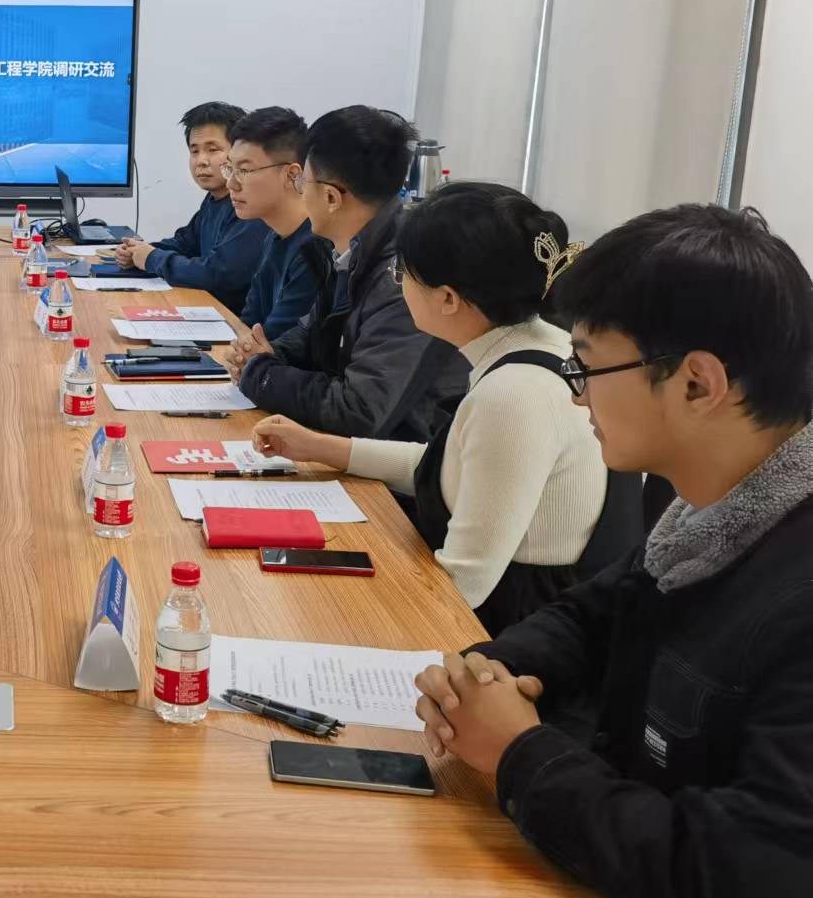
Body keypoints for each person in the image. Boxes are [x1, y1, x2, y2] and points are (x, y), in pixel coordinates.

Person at [412, 204, 813, 898]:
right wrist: (491, 673)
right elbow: (596, 613)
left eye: (588, 369)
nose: (576, 398)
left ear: (697, 382)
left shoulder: (795, 585)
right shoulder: (708, 506)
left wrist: (520, 757)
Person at [252, 182, 640, 632]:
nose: (399, 285)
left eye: (403, 273)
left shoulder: (513, 394)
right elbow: (455, 467)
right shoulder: (543, 343)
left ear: (448, 299)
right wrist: (319, 447)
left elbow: (463, 584)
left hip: (512, 635)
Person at [237, 106, 467, 442]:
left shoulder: (405, 277)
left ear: (331, 197)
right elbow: (311, 334)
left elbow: (360, 411)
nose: (300, 191)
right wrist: (268, 354)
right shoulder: (343, 252)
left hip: (403, 460)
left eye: (303, 181)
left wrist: (262, 374)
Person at [112, 101, 272, 315]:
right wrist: (137, 250)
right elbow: (186, 243)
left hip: (236, 323)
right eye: (194, 151)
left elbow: (217, 274)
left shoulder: (249, 207)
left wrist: (151, 258)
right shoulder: (214, 199)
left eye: (212, 150)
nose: (201, 161)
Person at [217, 105, 321, 344]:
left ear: (292, 174)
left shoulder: (316, 248)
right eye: (230, 169)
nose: (231, 184)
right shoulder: (274, 236)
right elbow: (250, 322)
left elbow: (275, 341)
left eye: (244, 170)